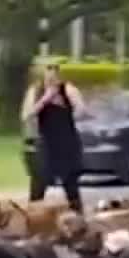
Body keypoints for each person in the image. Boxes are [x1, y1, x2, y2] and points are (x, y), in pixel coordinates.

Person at [22, 62, 87, 212]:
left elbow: (81, 110)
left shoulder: (68, 89)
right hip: (46, 143)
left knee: (71, 185)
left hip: (67, 143)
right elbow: (26, 115)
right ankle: (33, 217)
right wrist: (45, 100)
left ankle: (78, 216)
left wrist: (64, 104)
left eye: (54, 73)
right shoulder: (36, 91)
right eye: (48, 72)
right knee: (38, 183)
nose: (51, 76)